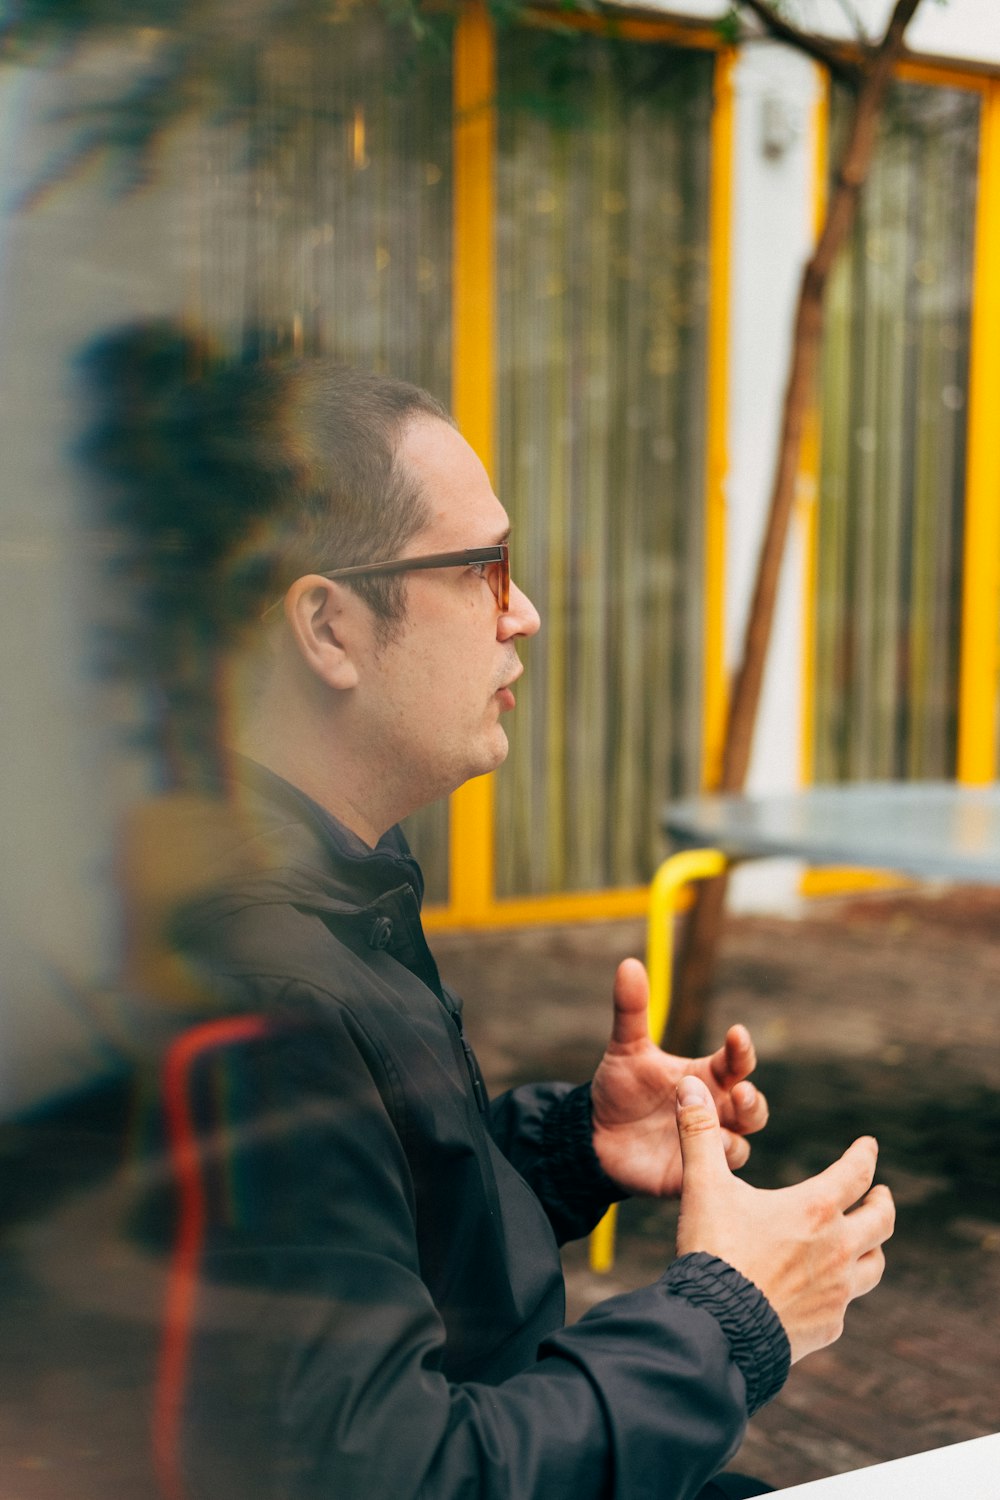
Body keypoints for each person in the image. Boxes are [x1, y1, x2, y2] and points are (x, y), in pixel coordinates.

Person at [124, 360, 895, 1500]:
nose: (522, 610)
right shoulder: (264, 997)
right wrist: (730, 1315)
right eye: (482, 569)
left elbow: (359, 1227)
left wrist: (563, 1145)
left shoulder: (325, 896)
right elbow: (397, 1478)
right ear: (328, 628)